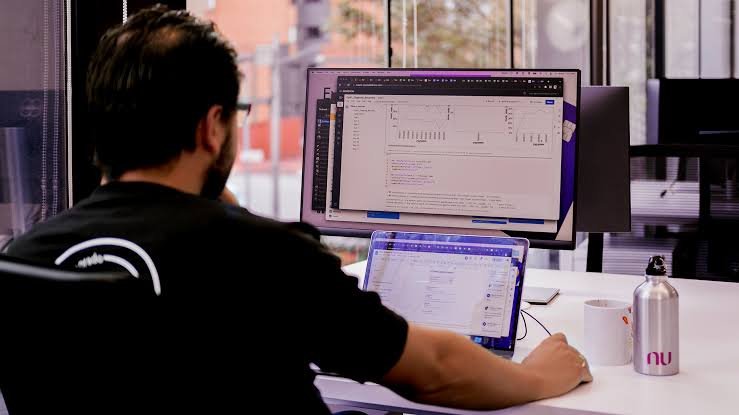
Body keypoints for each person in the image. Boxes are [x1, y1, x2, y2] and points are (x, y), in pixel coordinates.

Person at [6, 6, 591, 414]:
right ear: (212, 127)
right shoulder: (263, 257)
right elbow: (435, 371)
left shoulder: (25, 257)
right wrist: (536, 376)